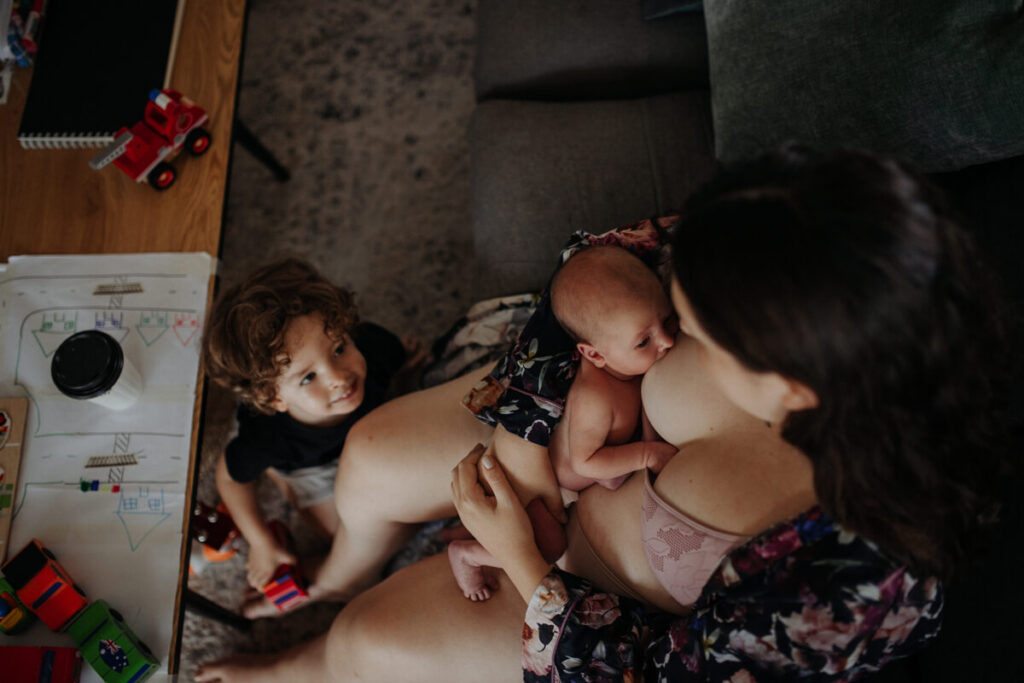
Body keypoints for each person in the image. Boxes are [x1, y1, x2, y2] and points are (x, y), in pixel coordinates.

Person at [195, 146, 1009, 682]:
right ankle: (335, 572)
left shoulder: (863, 581)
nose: (681, 336)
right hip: (568, 436)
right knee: (368, 452)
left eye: (698, 334)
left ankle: (302, 656)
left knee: (365, 643)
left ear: (796, 387)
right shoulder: (788, 236)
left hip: (585, 591)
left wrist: (526, 562)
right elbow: (594, 267)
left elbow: (662, 676)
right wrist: (525, 447)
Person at [448, 245, 679, 600]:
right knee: (549, 547)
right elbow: (586, 460)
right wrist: (647, 454)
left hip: (555, 477)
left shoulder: (627, 365)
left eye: (666, 321)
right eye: (644, 340)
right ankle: (467, 555)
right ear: (595, 354)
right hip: (525, 489)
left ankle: (458, 536)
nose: (665, 342)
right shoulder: (596, 397)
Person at [202, 258, 410, 604]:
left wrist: (406, 372)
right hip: (304, 463)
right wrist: (262, 544)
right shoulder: (267, 439)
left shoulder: (375, 348)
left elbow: (394, 360)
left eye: (339, 348)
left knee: (397, 506)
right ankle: (282, 479)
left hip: (362, 437)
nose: (339, 377)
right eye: (309, 377)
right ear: (275, 397)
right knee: (343, 532)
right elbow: (229, 478)